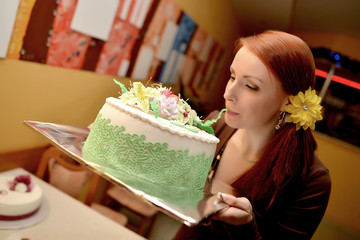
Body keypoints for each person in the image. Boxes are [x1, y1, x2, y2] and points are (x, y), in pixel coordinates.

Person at [174, 30, 331, 239]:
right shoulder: (216, 125)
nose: (227, 94)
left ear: (289, 101)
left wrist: (245, 227)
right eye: (232, 76)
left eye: (250, 86)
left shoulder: (312, 181)